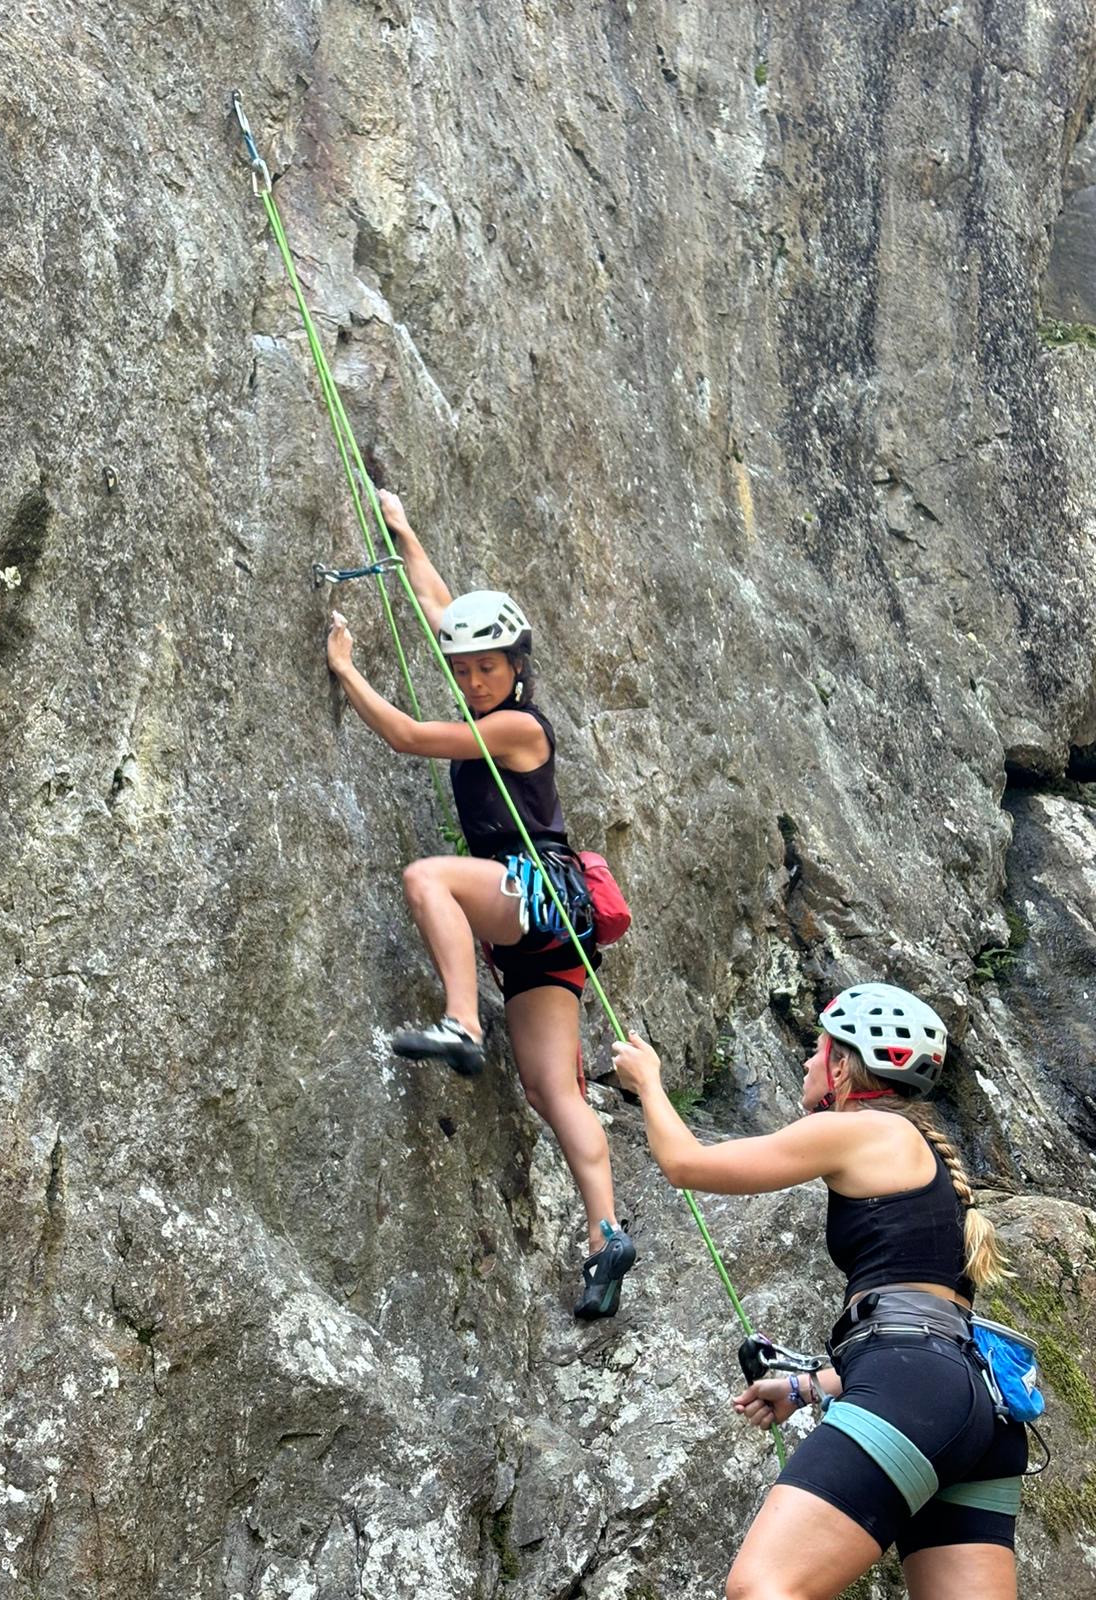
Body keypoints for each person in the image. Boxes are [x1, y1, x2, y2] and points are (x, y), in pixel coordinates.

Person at [325, 489, 635, 1318]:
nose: (471, 680)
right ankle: (606, 1238)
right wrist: (404, 532)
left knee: (428, 877)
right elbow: (442, 610)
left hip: (531, 888)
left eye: (486, 668)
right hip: (544, 932)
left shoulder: (520, 726)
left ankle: (462, 1024)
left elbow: (408, 737)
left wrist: (347, 670)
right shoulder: (489, 691)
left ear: (519, 666)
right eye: (462, 671)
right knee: (551, 1091)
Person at [612, 983, 1028, 1600]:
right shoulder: (928, 1165)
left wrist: (648, 1082)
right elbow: (928, 1335)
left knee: (763, 1586)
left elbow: (687, 1165)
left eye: (817, 1047)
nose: (808, 1061)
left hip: (916, 1389)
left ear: (841, 1065)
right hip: (979, 1413)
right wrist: (807, 1387)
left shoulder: (859, 1129)